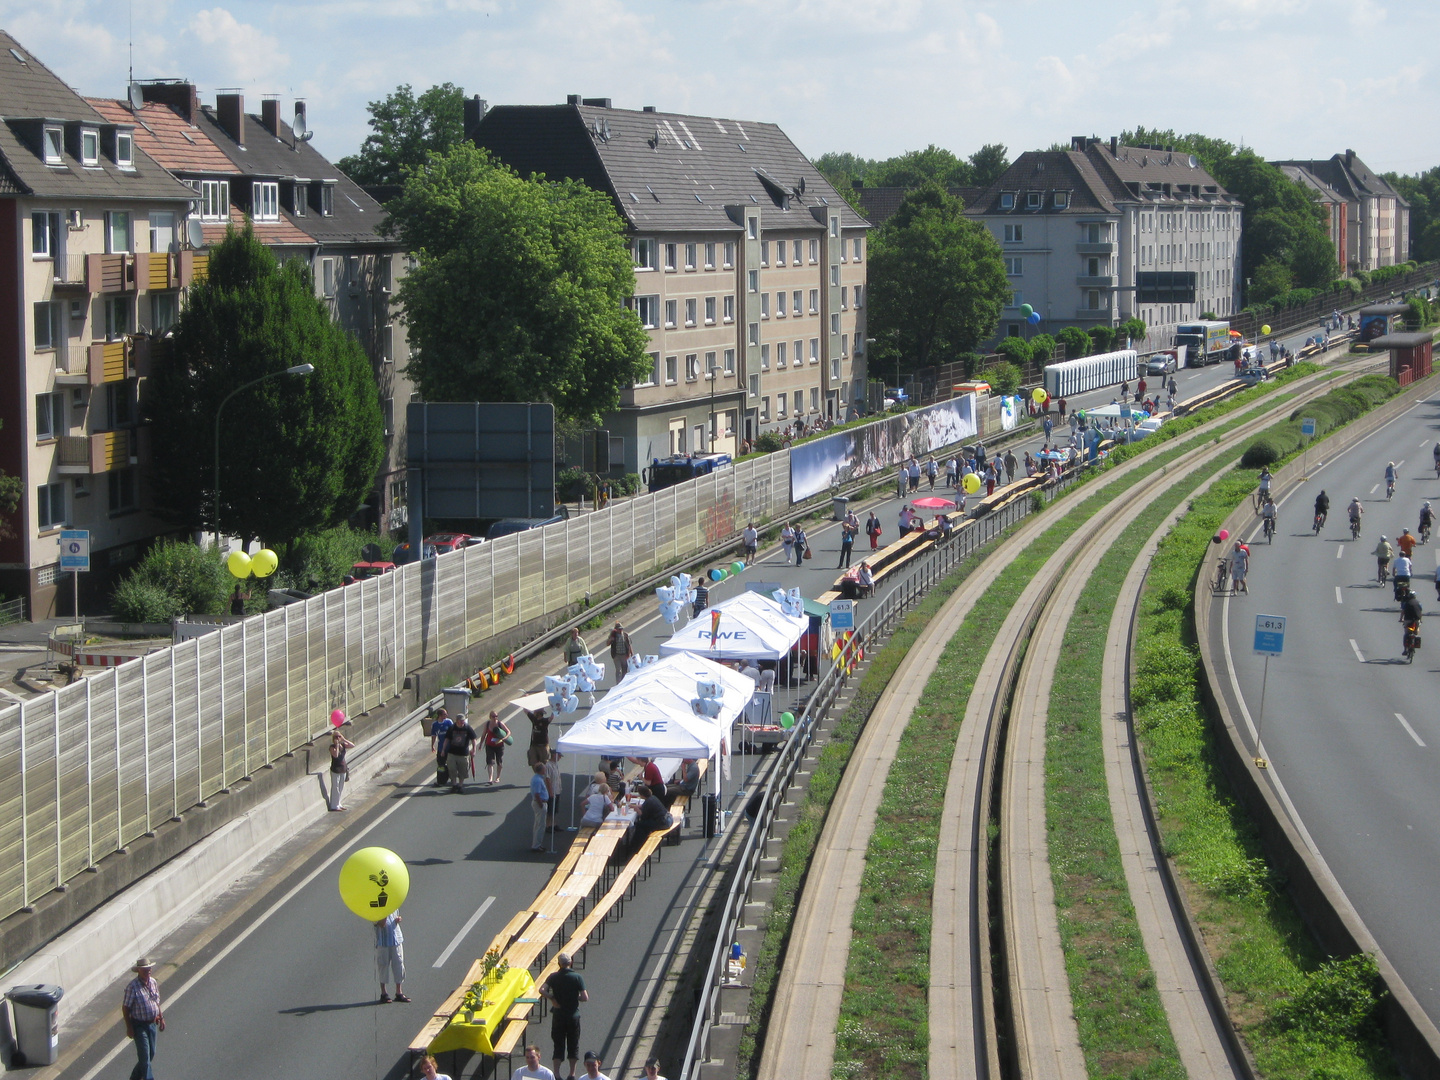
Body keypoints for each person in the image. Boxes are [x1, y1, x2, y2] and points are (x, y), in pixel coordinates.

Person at [541, 953, 588, 1080]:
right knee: (573, 1044)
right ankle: (572, 1073)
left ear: (559, 963)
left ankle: (556, 1073)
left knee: (558, 1044)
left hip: (558, 1015)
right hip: (573, 1015)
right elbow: (584, 997)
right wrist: (574, 997)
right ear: (571, 962)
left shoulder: (553, 977)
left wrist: (552, 998)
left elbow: (542, 989)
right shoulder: (577, 977)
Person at [123, 956, 164, 1080]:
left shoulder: (153, 982)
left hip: (152, 1023)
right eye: (145, 969)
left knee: (150, 1054)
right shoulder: (132, 987)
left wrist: (161, 1017)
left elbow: (156, 1001)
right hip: (139, 1025)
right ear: (139, 971)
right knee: (145, 1057)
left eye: (149, 969)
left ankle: (135, 1077)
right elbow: (125, 1008)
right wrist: (129, 1028)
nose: (148, 971)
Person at [375, 910, 409, 1002]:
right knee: (383, 966)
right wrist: (385, 912)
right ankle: (384, 993)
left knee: (399, 964)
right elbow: (381, 924)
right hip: (383, 942)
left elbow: (396, 917)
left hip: (396, 939)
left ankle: (399, 992)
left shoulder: (394, 905)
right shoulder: (375, 910)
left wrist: (398, 919)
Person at [328, 725, 355, 811]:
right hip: (335, 769)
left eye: (339, 736)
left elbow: (352, 745)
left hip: (343, 768)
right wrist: (336, 745)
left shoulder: (343, 745)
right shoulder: (332, 747)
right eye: (336, 737)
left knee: (340, 787)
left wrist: (343, 739)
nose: (338, 738)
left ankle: (338, 803)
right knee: (335, 787)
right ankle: (333, 805)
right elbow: (335, 755)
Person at [481, 711, 509, 785]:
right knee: (490, 762)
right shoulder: (487, 724)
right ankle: (490, 778)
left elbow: (508, 732)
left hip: (499, 746)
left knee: (499, 762)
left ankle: (497, 777)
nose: (495, 718)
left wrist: (504, 738)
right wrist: (480, 744)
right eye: (493, 716)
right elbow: (483, 734)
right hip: (489, 745)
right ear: (490, 717)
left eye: (496, 716)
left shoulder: (500, 724)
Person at [428, 708, 453, 787]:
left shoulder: (449, 722)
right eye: (445, 714)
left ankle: (452, 779)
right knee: (441, 765)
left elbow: (453, 732)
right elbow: (434, 735)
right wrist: (432, 745)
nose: (447, 715)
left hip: (450, 747)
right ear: (440, 715)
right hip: (441, 748)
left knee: (451, 764)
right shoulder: (435, 724)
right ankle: (440, 781)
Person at [529, 762, 550, 851]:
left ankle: (537, 844)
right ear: (541, 770)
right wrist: (541, 804)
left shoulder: (538, 778)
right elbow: (537, 793)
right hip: (540, 803)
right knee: (540, 825)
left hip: (540, 802)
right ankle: (536, 846)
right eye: (544, 769)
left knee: (539, 824)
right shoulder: (538, 780)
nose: (545, 770)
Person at [544, 749, 563, 830]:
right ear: (554, 755)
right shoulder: (548, 765)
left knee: (555, 809)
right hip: (552, 791)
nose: (559, 758)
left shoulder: (555, 764)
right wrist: (550, 792)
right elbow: (547, 779)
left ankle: (554, 824)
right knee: (550, 810)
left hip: (557, 790)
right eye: (559, 756)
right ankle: (548, 825)